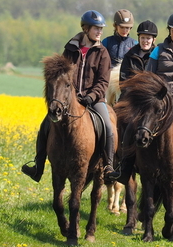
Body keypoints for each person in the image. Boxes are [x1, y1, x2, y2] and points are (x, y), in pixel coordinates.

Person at [110, 11, 173, 190]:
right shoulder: (158, 50)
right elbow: (150, 76)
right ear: (169, 30)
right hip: (160, 100)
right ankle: (125, 167)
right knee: (132, 127)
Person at [21, 10, 115, 182]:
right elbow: (60, 76)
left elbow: (103, 82)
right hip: (69, 100)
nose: (100, 32)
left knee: (107, 126)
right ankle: (38, 166)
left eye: (101, 29)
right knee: (45, 125)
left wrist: (91, 97)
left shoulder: (103, 53)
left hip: (93, 100)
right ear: (86, 29)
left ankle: (109, 166)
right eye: (96, 28)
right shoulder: (70, 48)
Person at [102, 9, 138, 105]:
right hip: (108, 80)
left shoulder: (135, 44)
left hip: (126, 81)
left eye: (128, 28)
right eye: (122, 27)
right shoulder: (106, 42)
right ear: (115, 26)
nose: (125, 30)